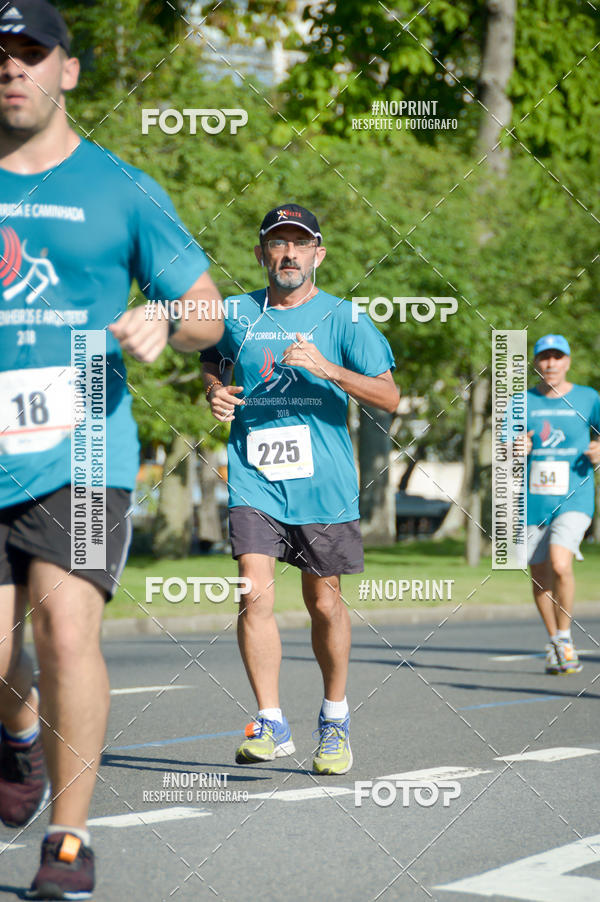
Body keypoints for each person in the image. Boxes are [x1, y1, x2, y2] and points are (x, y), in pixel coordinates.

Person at [0, 2, 223, 898]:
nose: (11, 69)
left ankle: (69, 837)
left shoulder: (123, 188)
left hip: (87, 441)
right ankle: (18, 737)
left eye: (29, 54)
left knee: (64, 626)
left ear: (68, 71)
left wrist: (164, 316)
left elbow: (209, 313)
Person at [201, 203, 399, 776]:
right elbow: (214, 359)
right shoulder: (235, 312)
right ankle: (270, 720)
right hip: (253, 476)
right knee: (252, 593)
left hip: (324, 483)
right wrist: (214, 389)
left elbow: (390, 397)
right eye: (277, 243)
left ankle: (334, 719)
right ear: (262, 253)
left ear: (319, 253)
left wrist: (329, 370)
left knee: (323, 603)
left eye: (299, 243)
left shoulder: (346, 320)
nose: (288, 253)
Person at [522, 335, 600, 675]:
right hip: (532, 501)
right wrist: (515, 446)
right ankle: (554, 642)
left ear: (567, 361)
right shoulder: (520, 401)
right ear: (536, 363)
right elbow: (505, 446)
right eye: (544, 358)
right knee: (539, 575)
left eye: (557, 357)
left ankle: (566, 637)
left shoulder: (588, 398)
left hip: (575, 496)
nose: (550, 364)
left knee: (560, 563)